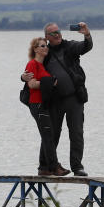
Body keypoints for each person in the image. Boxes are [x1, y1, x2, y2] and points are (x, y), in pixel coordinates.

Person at [23, 22, 92, 177]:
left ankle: (77, 167)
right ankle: (45, 166)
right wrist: (22, 77)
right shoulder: (45, 53)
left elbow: (86, 47)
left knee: (76, 132)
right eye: (53, 33)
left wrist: (87, 35)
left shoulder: (70, 46)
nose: (57, 34)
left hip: (74, 98)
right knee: (52, 134)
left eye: (58, 31)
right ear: (47, 37)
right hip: (54, 100)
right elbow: (31, 69)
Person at [24, 37, 67, 176]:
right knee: (48, 135)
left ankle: (43, 168)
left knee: (49, 134)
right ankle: (54, 167)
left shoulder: (42, 66)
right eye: (42, 46)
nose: (45, 48)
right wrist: (50, 83)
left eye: (46, 46)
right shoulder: (32, 64)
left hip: (45, 104)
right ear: (35, 49)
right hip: (37, 104)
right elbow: (31, 84)